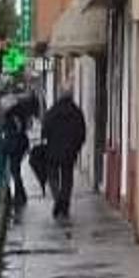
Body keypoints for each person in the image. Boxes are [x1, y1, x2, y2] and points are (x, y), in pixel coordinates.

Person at [41, 90, 87, 219]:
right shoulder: (77, 113)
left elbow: (44, 131)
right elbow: (82, 134)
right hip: (69, 152)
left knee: (52, 177)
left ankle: (58, 199)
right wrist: (76, 148)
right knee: (68, 178)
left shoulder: (52, 112)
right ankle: (64, 203)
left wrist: (48, 142)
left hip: (53, 151)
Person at [2, 95, 37, 206]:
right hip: (20, 146)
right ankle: (20, 194)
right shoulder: (20, 114)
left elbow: (12, 133)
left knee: (15, 171)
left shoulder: (12, 116)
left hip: (15, 147)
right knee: (16, 171)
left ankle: (20, 195)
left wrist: (6, 147)